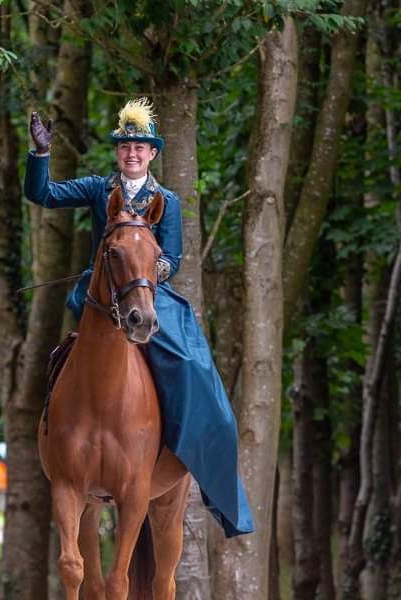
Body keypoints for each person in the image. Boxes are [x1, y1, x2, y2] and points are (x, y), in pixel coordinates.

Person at [24, 98, 254, 537]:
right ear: (118, 152)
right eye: (126, 146)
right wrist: (40, 155)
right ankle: (54, 429)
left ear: (152, 154)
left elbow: (174, 258)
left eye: (141, 147)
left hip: (149, 296)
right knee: (63, 357)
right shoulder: (98, 188)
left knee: (191, 366)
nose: (132, 153)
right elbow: (43, 194)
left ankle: (203, 460)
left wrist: (142, 272)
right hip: (101, 295)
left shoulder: (166, 199)